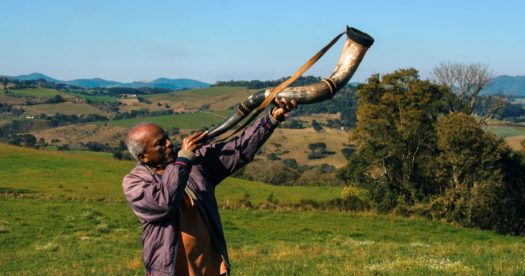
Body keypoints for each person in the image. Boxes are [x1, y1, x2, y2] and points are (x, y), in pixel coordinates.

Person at [122, 98, 296, 275]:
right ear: (143, 157)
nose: (168, 143)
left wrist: (271, 120)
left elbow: (239, 150)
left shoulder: (196, 162)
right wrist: (183, 159)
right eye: (160, 143)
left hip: (210, 268)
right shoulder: (134, 183)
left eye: (166, 138)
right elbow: (165, 203)